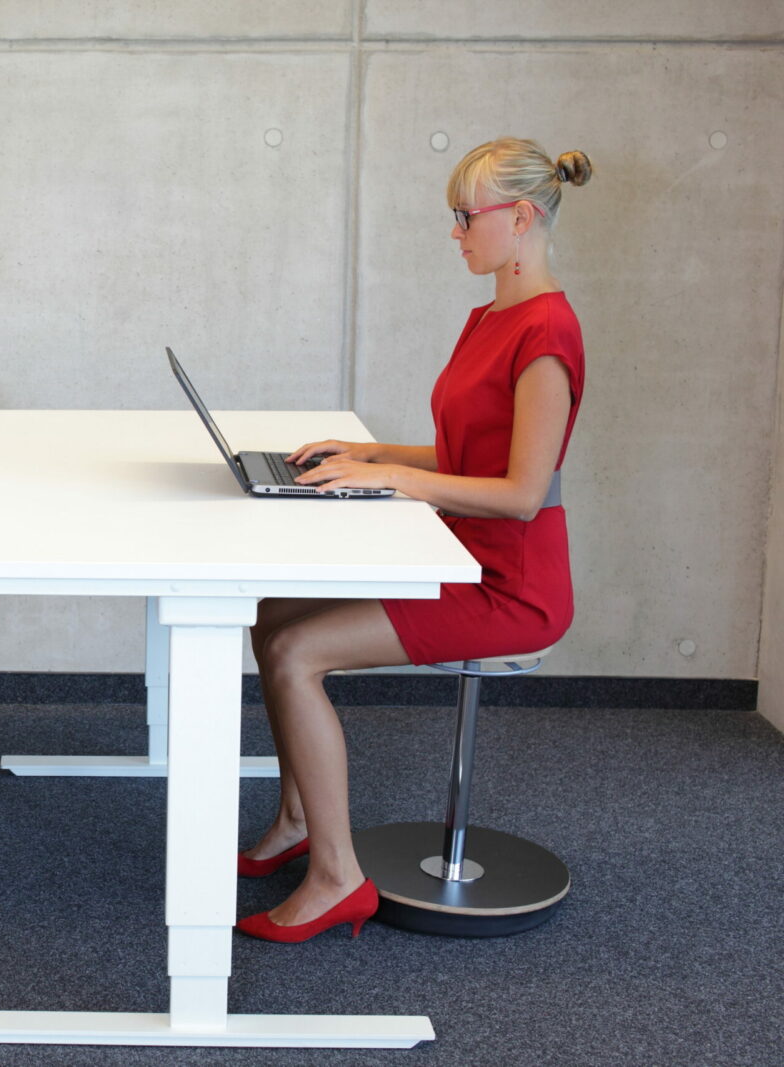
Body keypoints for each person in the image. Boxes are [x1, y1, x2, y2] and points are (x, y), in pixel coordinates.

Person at [234, 138, 592, 943]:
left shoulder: (547, 336)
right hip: (454, 556)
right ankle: (297, 819)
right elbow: (470, 456)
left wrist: (401, 482)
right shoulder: (491, 318)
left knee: (297, 653)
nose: (456, 232)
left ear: (522, 218)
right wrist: (371, 456)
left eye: (466, 217)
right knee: (275, 611)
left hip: (509, 585)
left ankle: (336, 878)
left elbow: (523, 493)